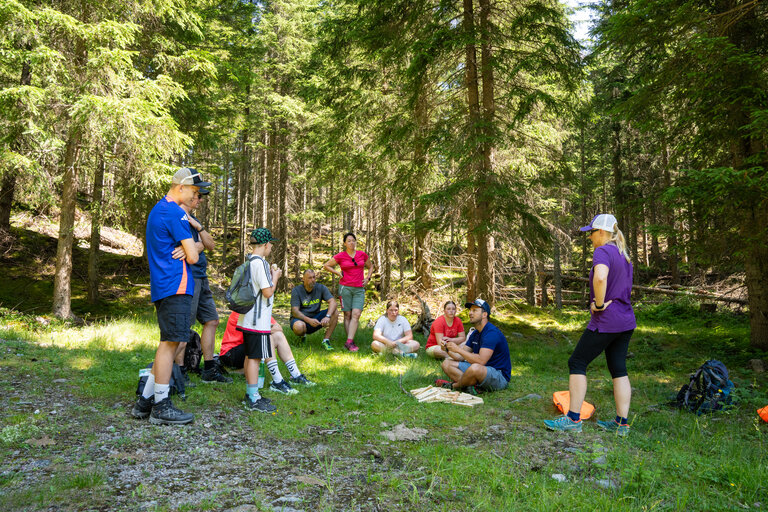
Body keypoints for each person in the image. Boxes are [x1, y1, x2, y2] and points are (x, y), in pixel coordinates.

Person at [544, 214, 636, 436]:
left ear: (602, 233)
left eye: (592, 232)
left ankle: (573, 419)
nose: (590, 237)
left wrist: (599, 303)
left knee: (577, 361)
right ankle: (621, 424)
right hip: (626, 320)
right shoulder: (624, 254)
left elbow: (601, 277)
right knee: (618, 368)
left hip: (607, 320)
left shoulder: (603, 251)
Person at [132, 167, 206, 425]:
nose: (196, 197)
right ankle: (161, 406)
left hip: (165, 285)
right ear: (181, 187)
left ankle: (144, 401)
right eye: (194, 191)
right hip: (176, 284)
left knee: (168, 343)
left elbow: (193, 249)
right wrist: (193, 247)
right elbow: (196, 256)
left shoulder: (158, 209)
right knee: (170, 344)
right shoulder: (176, 213)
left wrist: (191, 246)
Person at [173, 184, 231, 384]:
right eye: (198, 196)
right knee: (184, 327)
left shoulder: (193, 219)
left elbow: (211, 245)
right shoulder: (177, 215)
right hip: (188, 276)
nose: (200, 200)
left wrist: (200, 229)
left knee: (212, 320)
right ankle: (179, 371)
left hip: (202, 276)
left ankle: (209, 368)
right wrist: (198, 245)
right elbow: (187, 247)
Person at [237, 228, 281, 413]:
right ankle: (253, 397)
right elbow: (268, 291)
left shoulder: (250, 261)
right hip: (257, 320)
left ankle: (250, 392)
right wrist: (275, 277)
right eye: (270, 243)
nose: (271, 246)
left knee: (250, 355)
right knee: (255, 357)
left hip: (247, 318)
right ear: (264, 245)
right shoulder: (260, 263)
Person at [219, 312, 316, 391]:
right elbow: (259, 331)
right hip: (230, 354)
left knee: (278, 335)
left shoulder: (261, 309)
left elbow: (279, 328)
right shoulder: (242, 310)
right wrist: (268, 328)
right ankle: (277, 381)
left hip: (247, 351)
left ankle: (296, 375)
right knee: (265, 335)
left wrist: (268, 328)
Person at [440, 299, 511, 393]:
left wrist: (458, 349)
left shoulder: (491, 333)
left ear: (484, 314)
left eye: (474, 310)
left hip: (498, 375)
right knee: (446, 363)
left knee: (475, 368)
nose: (470, 313)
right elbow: (460, 357)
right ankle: (471, 386)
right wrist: (447, 349)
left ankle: (455, 386)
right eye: (470, 310)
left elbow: (481, 360)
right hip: (481, 369)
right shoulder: (475, 333)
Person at [322, 232, 372, 352]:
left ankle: (349, 342)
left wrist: (368, 278)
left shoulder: (362, 255)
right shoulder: (341, 256)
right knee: (348, 315)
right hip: (345, 288)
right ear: (345, 243)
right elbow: (326, 265)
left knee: (356, 314)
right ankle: (350, 341)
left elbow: (370, 266)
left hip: (359, 288)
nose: (351, 243)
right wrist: (338, 273)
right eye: (349, 241)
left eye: (353, 240)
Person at [290, 269, 338, 351]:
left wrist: (327, 316)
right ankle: (302, 337)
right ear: (303, 279)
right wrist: (308, 320)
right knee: (299, 327)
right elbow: (295, 311)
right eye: (309, 278)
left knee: (335, 312)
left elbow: (333, 302)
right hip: (301, 319)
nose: (313, 280)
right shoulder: (296, 290)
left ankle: (325, 341)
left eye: (314, 277)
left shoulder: (320, 287)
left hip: (316, 318)